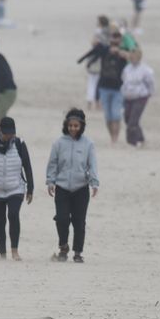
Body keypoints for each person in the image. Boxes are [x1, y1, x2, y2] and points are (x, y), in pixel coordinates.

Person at [45, 109, 99, 264]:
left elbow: (92, 164)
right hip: (62, 187)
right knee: (61, 218)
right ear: (66, 125)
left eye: (76, 126)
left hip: (81, 188)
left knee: (79, 221)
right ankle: (63, 247)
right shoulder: (59, 143)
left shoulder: (88, 144)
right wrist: (50, 181)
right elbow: (53, 163)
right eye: (70, 125)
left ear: (81, 126)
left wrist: (94, 182)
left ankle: (78, 252)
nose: (73, 128)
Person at [0, 117, 33, 261]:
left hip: (15, 188)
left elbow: (27, 166)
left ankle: (15, 251)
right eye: (6, 133)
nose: (9, 136)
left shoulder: (20, 144)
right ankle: (2, 253)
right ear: (0, 131)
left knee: (13, 215)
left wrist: (30, 188)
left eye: (11, 133)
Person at [93, 30, 130, 143]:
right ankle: (112, 137)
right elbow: (95, 47)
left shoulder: (124, 53)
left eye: (117, 39)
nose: (115, 41)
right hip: (103, 87)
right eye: (113, 38)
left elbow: (135, 57)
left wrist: (121, 53)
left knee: (116, 115)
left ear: (121, 41)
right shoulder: (104, 51)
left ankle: (115, 139)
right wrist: (96, 97)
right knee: (108, 117)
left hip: (118, 89)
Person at [121, 49, 155, 147]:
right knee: (127, 118)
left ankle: (132, 142)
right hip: (128, 96)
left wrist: (150, 93)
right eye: (130, 56)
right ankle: (141, 139)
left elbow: (151, 83)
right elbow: (124, 80)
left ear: (139, 57)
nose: (131, 58)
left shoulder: (146, 70)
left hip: (140, 97)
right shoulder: (127, 69)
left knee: (133, 121)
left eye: (133, 56)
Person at [84, 16, 111, 111]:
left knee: (92, 81)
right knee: (98, 82)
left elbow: (94, 43)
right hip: (104, 59)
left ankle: (90, 103)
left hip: (96, 59)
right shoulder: (109, 32)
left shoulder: (99, 32)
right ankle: (97, 103)